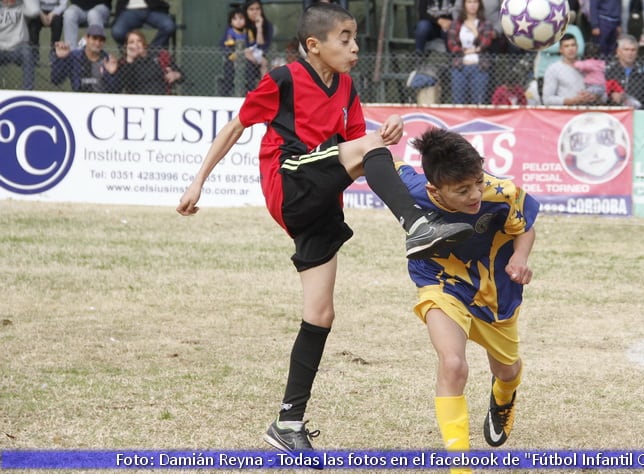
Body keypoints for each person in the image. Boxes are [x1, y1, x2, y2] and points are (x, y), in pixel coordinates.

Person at [176, 3, 473, 452]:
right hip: (289, 179)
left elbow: (359, 146)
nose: (354, 47)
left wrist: (383, 136)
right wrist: (198, 181)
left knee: (320, 314)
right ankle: (415, 225)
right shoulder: (283, 79)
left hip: (319, 200)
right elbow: (236, 126)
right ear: (314, 46)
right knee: (372, 152)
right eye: (345, 38)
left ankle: (287, 423)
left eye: (355, 38)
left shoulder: (348, 87)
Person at [395, 128, 538, 474]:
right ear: (434, 191)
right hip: (440, 282)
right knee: (453, 364)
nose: (475, 194)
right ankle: (460, 466)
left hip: (495, 291)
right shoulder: (413, 190)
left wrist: (520, 257)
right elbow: (377, 162)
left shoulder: (502, 192)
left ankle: (504, 395)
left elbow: (525, 226)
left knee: (507, 369)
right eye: (462, 190)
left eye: (477, 182)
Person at [446, 0, 494, 104]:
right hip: (459, 67)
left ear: (479, 5)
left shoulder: (486, 23)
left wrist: (474, 30)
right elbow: (452, 44)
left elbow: (485, 43)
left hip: (480, 67)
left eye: (475, 2)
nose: (472, 5)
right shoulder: (456, 23)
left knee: (478, 103)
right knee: (458, 103)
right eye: (469, 2)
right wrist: (467, 51)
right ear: (464, 5)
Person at [104, 29, 182, 94]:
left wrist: (176, 75)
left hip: (162, 99)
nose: (136, 44)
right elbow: (120, 87)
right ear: (127, 46)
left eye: (139, 41)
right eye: (132, 42)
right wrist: (130, 59)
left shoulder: (160, 56)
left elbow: (182, 76)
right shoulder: (123, 62)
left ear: (144, 43)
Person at [50, 23, 114, 91]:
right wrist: (61, 59)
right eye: (94, 38)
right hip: (79, 98)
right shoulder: (74, 56)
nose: (97, 43)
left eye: (101, 40)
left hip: (102, 99)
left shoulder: (108, 59)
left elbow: (115, 89)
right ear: (86, 38)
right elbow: (56, 80)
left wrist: (112, 74)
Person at [542, 33, 601, 105]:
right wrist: (572, 101)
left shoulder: (587, 66)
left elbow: (602, 92)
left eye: (573, 45)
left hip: (587, 112)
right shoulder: (553, 69)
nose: (570, 49)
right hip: (565, 113)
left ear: (577, 47)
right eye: (566, 46)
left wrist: (595, 96)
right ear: (561, 50)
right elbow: (547, 99)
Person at [605, 34, 644, 108]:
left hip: (636, 114)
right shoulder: (608, 72)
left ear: (637, 53)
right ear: (618, 52)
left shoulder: (643, 76)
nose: (630, 53)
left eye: (633, 50)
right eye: (626, 50)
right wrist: (611, 97)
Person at [219, 7, 258, 96]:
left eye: (241, 18)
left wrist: (249, 50)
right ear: (231, 21)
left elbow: (253, 44)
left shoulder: (248, 32)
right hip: (233, 59)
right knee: (228, 75)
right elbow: (226, 47)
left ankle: (250, 93)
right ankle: (225, 94)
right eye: (235, 19)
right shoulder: (230, 32)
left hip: (246, 59)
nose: (238, 21)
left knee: (251, 74)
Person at [0, 0, 38, 91]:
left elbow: (34, 10)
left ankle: (27, 91)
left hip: (18, 49)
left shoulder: (22, 7)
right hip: (1, 49)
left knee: (27, 52)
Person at [111, 0, 175, 48]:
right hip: (129, 11)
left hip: (152, 9)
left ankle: (151, 53)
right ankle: (130, 54)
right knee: (118, 32)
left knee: (168, 26)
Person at [243, 0, 273, 90]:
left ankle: (263, 90)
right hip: (242, 58)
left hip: (260, 57)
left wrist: (259, 28)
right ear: (246, 11)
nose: (255, 12)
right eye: (251, 9)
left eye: (257, 9)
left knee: (264, 64)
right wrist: (246, 54)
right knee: (249, 66)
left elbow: (263, 47)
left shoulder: (267, 25)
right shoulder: (240, 23)